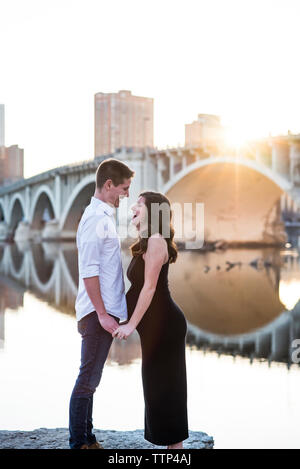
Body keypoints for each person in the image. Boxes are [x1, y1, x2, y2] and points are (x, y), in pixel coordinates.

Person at [113, 191, 189, 449]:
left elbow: (149, 289)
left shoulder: (156, 240)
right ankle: (173, 449)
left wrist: (131, 324)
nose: (133, 206)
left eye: (139, 204)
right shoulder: (147, 241)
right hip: (155, 328)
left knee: (166, 390)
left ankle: (176, 451)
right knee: (158, 389)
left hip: (165, 327)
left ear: (154, 212)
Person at [69, 158, 134, 449]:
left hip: (101, 313)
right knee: (87, 379)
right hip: (97, 315)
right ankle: (79, 443)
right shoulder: (96, 218)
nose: (127, 195)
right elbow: (89, 271)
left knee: (91, 379)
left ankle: (88, 438)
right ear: (109, 185)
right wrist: (103, 315)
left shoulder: (102, 216)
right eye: (124, 188)